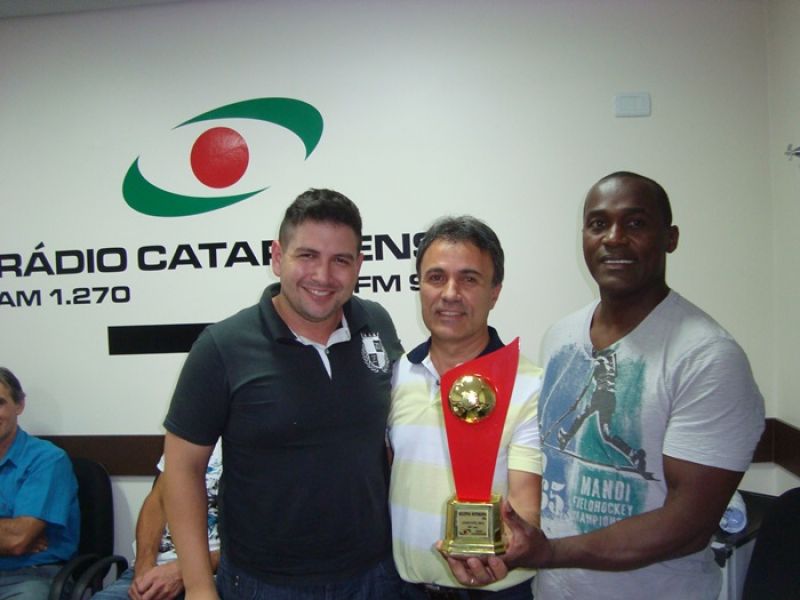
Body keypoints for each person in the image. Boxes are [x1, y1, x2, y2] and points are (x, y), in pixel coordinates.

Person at [444, 172, 766, 599]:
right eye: (598, 224)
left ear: (670, 238)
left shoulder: (707, 357)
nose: (614, 238)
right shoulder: (560, 335)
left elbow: (689, 528)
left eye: (635, 223)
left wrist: (550, 552)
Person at [162, 189, 404, 599]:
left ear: (358, 265)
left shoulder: (375, 322)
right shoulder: (222, 347)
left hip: (376, 574)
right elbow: (183, 469)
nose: (323, 276)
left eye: (340, 260)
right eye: (307, 255)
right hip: (265, 583)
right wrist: (200, 586)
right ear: (277, 257)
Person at [389, 216, 543, 599]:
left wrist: (507, 553)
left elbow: (526, 504)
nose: (450, 293)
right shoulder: (397, 374)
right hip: (404, 590)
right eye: (436, 277)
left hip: (498, 591)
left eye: (469, 279)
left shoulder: (531, 384)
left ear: (495, 292)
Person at [93, 442, 222, 600]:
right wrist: (144, 568)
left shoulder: (246, 446)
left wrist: (183, 570)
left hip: (217, 576)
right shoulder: (190, 439)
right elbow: (158, 501)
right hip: (155, 570)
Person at [0, 367, 80, 600]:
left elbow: (17, 540)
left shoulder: (47, 460)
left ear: (19, 405)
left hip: (30, 576)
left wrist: (16, 536)